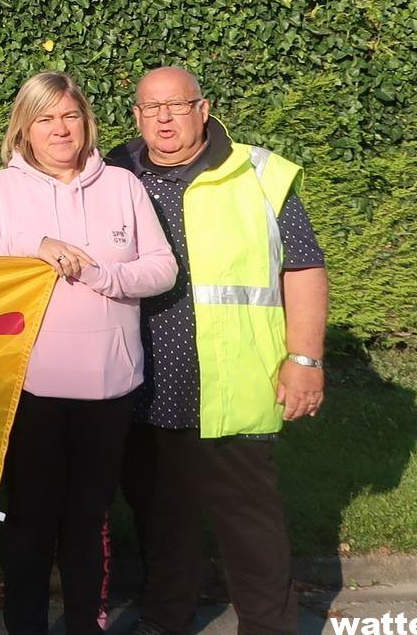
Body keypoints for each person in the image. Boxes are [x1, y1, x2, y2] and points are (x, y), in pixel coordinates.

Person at [0, 72, 177, 635]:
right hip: (28, 388)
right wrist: (35, 248)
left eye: (70, 116)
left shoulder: (123, 186)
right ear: (24, 128)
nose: (60, 129)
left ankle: (85, 623)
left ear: (87, 122)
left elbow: (162, 268)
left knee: (88, 521)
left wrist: (103, 275)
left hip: (109, 389)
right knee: (30, 522)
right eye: (45, 118)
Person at [109, 67, 330, 635]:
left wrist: (305, 360)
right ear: (135, 115)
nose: (163, 118)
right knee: (161, 518)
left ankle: (270, 627)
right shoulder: (113, 172)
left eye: (176, 106)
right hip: (142, 383)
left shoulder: (257, 174)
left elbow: (303, 267)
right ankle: (167, 620)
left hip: (232, 380)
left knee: (249, 522)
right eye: (150, 108)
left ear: (203, 110)